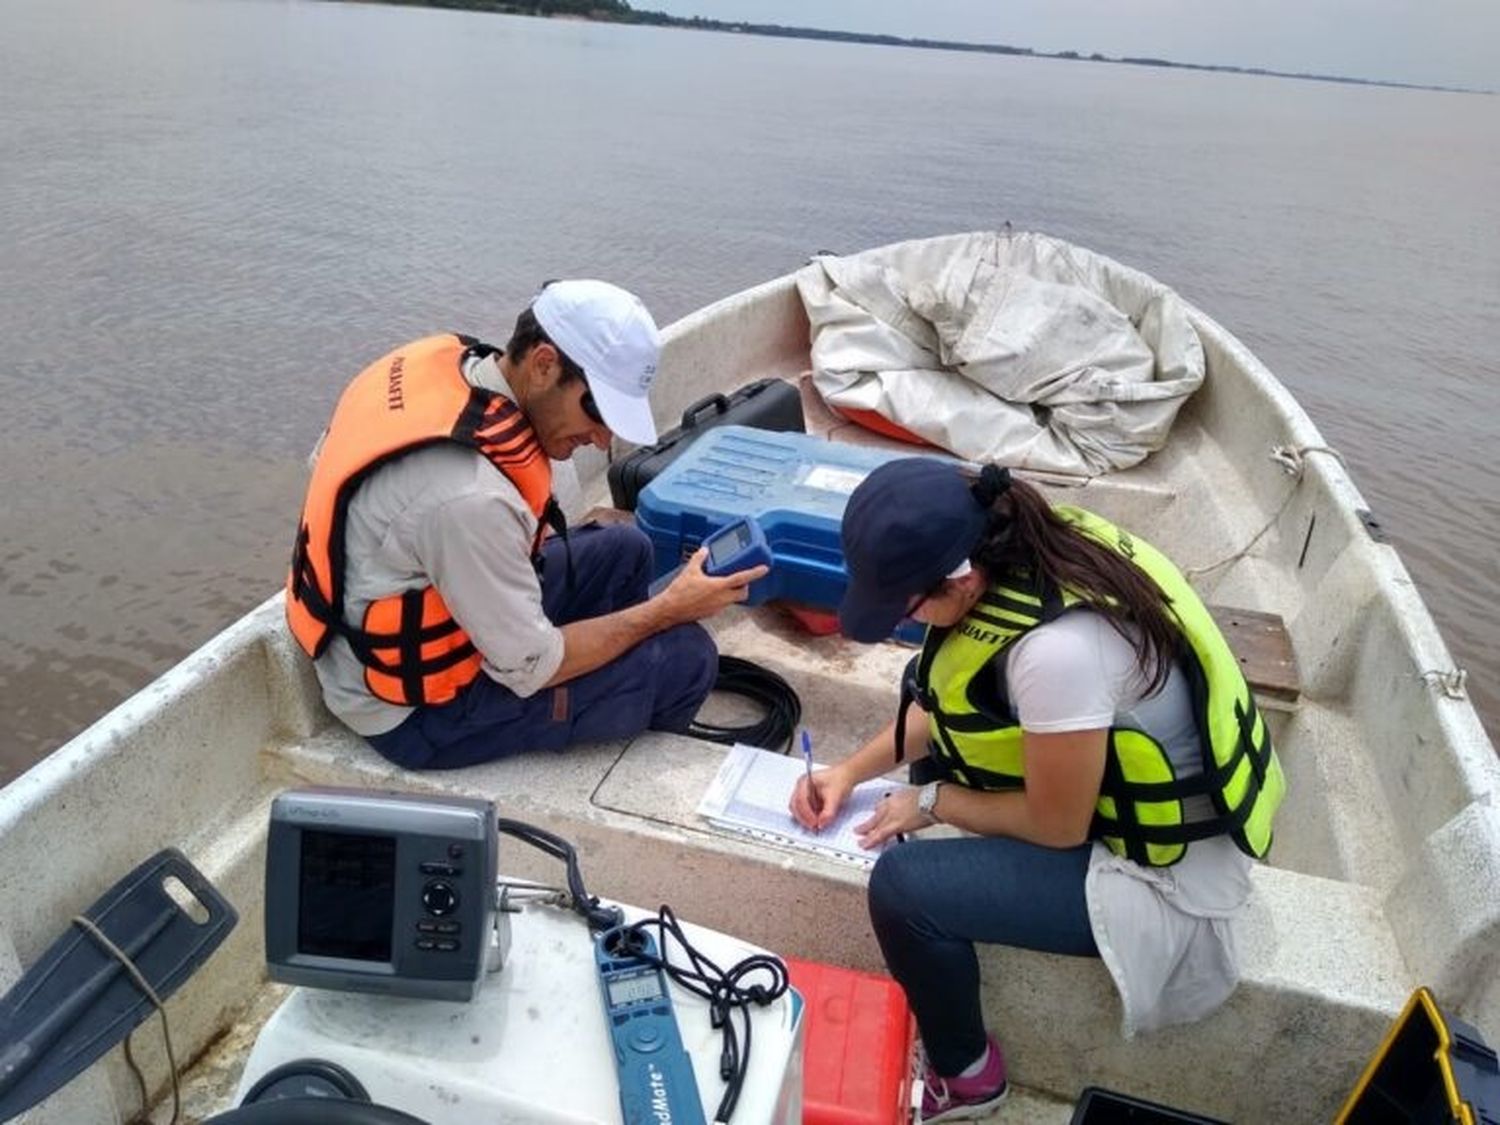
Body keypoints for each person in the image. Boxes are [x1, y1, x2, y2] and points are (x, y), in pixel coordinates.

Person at [789, 458, 1286, 1123]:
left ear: (960, 579)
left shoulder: (1058, 654)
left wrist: (930, 802)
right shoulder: (1021, 543)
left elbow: (1058, 826)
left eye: (906, 608)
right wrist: (848, 771)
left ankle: (966, 1077)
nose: (908, 625)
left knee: (903, 888)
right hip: (1109, 798)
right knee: (932, 744)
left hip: (1161, 882)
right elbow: (951, 702)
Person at [286, 280, 764, 769]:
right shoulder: (470, 497)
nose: (602, 440)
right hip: (417, 714)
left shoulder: (437, 367)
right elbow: (535, 666)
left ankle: (611, 676)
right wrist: (666, 611)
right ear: (542, 365)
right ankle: (625, 709)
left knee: (629, 549)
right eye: (597, 411)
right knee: (687, 658)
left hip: (408, 610)